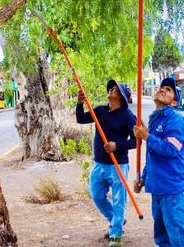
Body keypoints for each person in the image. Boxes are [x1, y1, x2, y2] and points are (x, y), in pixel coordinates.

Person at [133, 78, 184, 247]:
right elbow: (153, 157)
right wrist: (144, 179)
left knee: (178, 239)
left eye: (168, 89)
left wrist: (146, 136)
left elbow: (171, 149)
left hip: (172, 189)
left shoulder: (175, 120)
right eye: (161, 87)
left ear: (174, 102)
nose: (162, 90)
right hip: (158, 189)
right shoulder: (156, 120)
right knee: (162, 239)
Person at [76, 80, 136, 247]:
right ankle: (116, 219)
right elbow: (81, 119)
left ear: (122, 96)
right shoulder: (100, 111)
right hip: (99, 164)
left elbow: (136, 142)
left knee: (119, 201)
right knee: (97, 196)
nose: (110, 89)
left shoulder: (127, 116)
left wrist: (116, 145)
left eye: (115, 89)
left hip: (118, 165)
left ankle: (116, 235)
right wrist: (80, 103)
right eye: (110, 88)